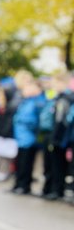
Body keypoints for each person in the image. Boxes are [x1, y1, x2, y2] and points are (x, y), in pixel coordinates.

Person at [11, 70, 47, 195]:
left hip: (29, 138)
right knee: (20, 162)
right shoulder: (26, 101)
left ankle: (24, 186)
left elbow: (37, 121)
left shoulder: (39, 102)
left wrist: (27, 126)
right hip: (21, 137)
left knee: (26, 163)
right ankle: (18, 184)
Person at [42, 72, 73, 200]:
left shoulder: (64, 99)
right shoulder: (58, 98)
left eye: (55, 83)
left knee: (58, 165)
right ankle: (55, 189)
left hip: (60, 137)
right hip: (59, 136)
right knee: (54, 164)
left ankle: (57, 190)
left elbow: (61, 121)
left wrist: (55, 138)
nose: (53, 86)